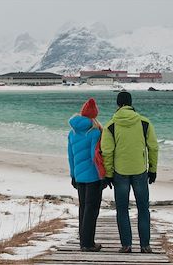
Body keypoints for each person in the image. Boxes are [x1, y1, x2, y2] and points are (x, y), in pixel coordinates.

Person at [101, 92, 158, 254]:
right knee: (143, 208)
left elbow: (107, 152)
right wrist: (152, 169)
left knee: (122, 209)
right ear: (131, 103)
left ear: (118, 104)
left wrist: (109, 174)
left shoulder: (110, 125)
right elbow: (153, 147)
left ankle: (126, 245)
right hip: (140, 171)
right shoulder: (144, 122)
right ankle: (145, 245)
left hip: (120, 173)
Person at [68, 98, 106, 252]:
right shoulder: (95, 132)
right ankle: (88, 243)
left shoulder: (72, 132)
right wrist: (103, 175)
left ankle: (83, 240)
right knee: (92, 209)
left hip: (79, 175)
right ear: (94, 115)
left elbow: (70, 156)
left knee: (83, 208)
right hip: (93, 176)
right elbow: (94, 156)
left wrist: (73, 175)